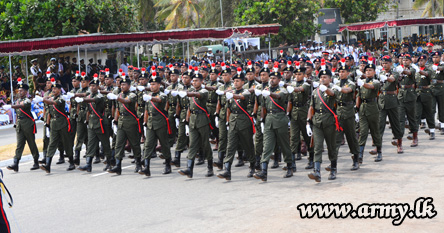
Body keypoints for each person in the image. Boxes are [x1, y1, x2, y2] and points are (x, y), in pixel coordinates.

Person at [253, 71, 292, 182]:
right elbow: (263, 107)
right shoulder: (265, 91)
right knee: (267, 146)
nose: (271, 80)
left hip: (280, 118)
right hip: (269, 120)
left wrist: (269, 94)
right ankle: (264, 171)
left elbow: (279, 97)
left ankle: (290, 166)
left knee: (284, 145)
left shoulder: (283, 90)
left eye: (274, 78)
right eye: (271, 78)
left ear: (279, 80)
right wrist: (261, 120)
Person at [217, 70, 256, 180]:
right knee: (230, 146)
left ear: (243, 82)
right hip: (233, 121)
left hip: (244, 121)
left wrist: (230, 94)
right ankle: (227, 170)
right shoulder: (231, 92)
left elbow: (242, 97)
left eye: (238, 81)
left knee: (248, 145)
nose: (235, 83)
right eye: (234, 81)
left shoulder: (246, 92)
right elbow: (228, 109)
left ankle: (252, 165)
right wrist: (228, 122)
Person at [178, 73, 214, 178]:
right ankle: (189, 169)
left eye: (196, 81)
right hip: (193, 121)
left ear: (202, 81)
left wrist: (186, 93)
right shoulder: (192, 92)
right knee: (192, 144)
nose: (194, 83)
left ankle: (210, 167)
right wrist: (187, 121)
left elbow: (198, 95)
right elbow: (190, 108)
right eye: (193, 81)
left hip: (202, 120)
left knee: (205, 144)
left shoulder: (204, 91)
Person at [306, 70, 339, 182]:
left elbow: (333, 95)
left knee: (331, 146)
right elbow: (311, 107)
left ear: (330, 79)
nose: (323, 79)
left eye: (325, 77)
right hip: (317, 122)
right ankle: (317, 171)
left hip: (329, 121)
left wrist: (326, 89)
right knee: (317, 147)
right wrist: (308, 122)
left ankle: (333, 168)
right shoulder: (316, 91)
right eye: (321, 77)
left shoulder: (333, 89)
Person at [107, 74, 142, 175]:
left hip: (130, 122)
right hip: (121, 122)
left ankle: (138, 163)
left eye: (124, 85)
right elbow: (118, 109)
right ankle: (118, 166)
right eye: (121, 85)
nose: (122, 86)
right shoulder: (120, 95)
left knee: (134, 144)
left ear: (129, 86)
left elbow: (127, 101)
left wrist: (116, 97)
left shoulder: (132, 94)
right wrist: (115, 121)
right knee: (119, 144)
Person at [139, 73, 172, 176]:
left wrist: (150, 99)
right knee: (148, 145)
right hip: (150, 123)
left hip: (160, 123)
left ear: (158, 85)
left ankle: (168, 164)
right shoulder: (148, 96)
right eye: (151, 84)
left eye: (154, 84)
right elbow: (146, 111)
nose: (152, 86)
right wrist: (145, 122)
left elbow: (160, 100)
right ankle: (147, 168)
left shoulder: (162, 94)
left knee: (164, 144)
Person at [77, 77, 112, 172]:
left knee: (105, 143)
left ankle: (109, 162)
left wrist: (82, 100)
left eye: (94, 86)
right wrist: (87, 121)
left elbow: (93, 100)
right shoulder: (89, 95)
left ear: (97, 87)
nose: (92, 87)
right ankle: (88, 164)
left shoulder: (99, 96)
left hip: (100, 123)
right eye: (91, 86)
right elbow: (89, 110)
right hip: (92, 123)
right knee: (91, 144)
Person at [40, 79, 75, 173]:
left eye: (55, 88)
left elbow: (54, 103)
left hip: (62, 123)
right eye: (52, 88)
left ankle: (72, 162)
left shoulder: (61, 98)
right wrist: (47, 124)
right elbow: (49, 112)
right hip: (54, 123)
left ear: (60, 90)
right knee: (52, 143)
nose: (53, 90)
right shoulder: (51, 98)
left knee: (66, 142)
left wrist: (43, 99)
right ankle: (48, 165)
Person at [6, 79, 40, 172]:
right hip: (20, 125)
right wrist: (16, 123)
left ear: (26, 92)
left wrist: (11, 106)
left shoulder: (27, 100)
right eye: (19, 90)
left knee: (31, 143)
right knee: (19, 144)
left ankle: (36, 161)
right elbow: (17, 114)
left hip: (27, 124)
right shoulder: (17, 101)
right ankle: (15, 163)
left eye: (21, 91)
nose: (19, 92)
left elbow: (22, 106)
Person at [332, 65, 360, 170]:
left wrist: (338, 88)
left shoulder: (351, 84)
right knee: (336, 139)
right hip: (339, 113)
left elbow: (347, 90)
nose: (341, 73)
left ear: (348, 73)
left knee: (351, 137)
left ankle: (356, 159)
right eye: (340, 72)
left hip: (348, 112)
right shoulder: (336, 84)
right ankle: (333, 164)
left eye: (343, 72)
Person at [287, 67, 314, 171]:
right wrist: (288, 113)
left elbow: (301, 89)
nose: (297, 76)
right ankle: (292, 163)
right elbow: (290, 101)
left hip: (304, 111)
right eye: (296, 74)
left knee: (307, 137)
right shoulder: (292, 85)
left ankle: (311, 159)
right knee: (293, 138)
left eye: (300, 74)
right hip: (294, 113)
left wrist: (292, 88)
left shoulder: (306, 85)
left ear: (304, 75)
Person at [356, 64, 382, 163]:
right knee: (363, 131)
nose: (368, 72)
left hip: (372, 108)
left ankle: (379, 152)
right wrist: (356, 108)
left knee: (375, 131)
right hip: (363, 108)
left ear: (374, 72)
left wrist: (362, 84)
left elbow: (370, 87)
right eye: (366, 70)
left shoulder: (376, 82)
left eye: (370, 70)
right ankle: (360, 155)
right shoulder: (361, 82)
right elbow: (359, 95)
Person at [173, 70, 194, 167]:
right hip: (183, 113)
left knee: (194, 137)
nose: (184, 79)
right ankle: (177, 158)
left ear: (190, 79)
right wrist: (177, 116)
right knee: (181, 135)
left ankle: (201, 155)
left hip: (193, 114)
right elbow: (178, 103)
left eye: (187, 78)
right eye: (183, 78)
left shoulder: (193, 89)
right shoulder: (180, 89)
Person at [398, 54, 418, 147]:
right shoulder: (398, 70)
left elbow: (409, 73)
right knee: (400, 119)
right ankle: (399, 143)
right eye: (403, 60)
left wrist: (402, 71)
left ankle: (415, 138)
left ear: (410, 61)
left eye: (406, 60)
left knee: (412, 118)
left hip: (410, 96)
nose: (404, 61)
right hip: (401, 95)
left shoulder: (412, 69)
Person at [415, 55, 435, 140]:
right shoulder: (415, 71)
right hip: (417, 94)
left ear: (425, 61)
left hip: (426, 93)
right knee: (416, 114)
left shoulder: (429, 70)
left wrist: (418, 70)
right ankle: (414, 135)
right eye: (419, 61)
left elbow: (427, 74)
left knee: (429, 113)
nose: (420, 62)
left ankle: (432, 131)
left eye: (422, 61)